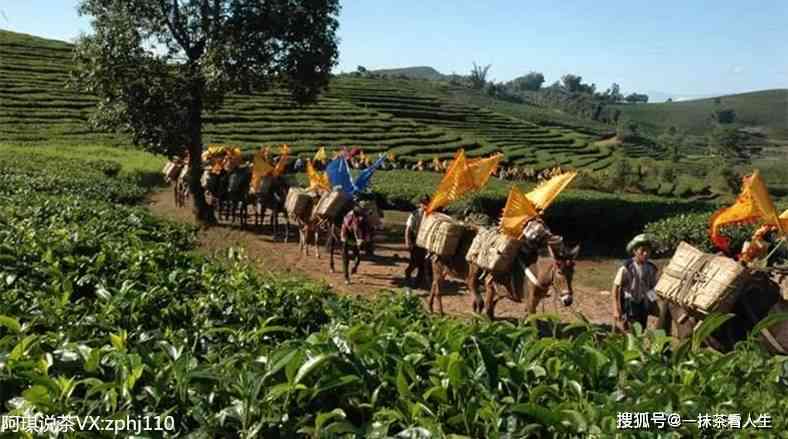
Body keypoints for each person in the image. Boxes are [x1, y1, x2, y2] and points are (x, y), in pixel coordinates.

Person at [612, 234, 660, 331]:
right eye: (642, 250)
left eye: (648, 251)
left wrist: (654, 304)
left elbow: (651, 288)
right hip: (629, 305)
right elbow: (615, 289)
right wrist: (616, 309)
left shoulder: (651, 268)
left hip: (643, 304)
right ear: (634, 251)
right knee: (631, 330)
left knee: (641, 329)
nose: (646, 253)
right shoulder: (626, 268)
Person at [405, 196, 431, 287]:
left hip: (424, 241)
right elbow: (408, 228)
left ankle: (417, 283)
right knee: (414, 262)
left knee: (423, 264)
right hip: (415, 239)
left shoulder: (430, 214)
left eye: (427, 204)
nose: (426, 206)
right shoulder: (415, 214)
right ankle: (407, 276)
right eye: (424, 204)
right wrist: (408, 241)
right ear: (420, 204)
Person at [340, 205, 370, 284]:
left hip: (357, 235)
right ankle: (346, 276)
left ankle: (355, 265)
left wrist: (364, 238)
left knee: (357, 254)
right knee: (345, 256)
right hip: (347, 236)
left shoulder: (363, 221)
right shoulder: (348, 218)